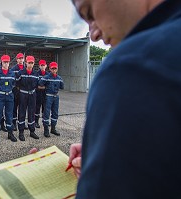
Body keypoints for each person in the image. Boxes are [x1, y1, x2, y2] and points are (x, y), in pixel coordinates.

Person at [67, 0, 181, 198]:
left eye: (90, 13)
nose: (93, 34)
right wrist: (110, 148)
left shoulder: (131, 67)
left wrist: (102, 170)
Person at [0, 55, 17, 144]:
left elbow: (13, 84)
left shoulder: (12, 73)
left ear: (9, 62)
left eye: (7, 62)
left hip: (10, 95)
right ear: (1, 62)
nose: (6, 64)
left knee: (9, 114)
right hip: (0, 96)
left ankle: (10, 133)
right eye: (4, 62)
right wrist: (0, 92)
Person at [16, 55, 39, 141]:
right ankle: (21, 132)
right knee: (21, 113)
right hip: (23, 95)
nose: (30, 64)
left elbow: (37, 85)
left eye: (32, 63)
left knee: (31, 113)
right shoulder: (20, 73)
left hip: (32, 95)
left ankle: (32, 131)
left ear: (34, 64)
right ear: (26, 63)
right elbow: (17, 84)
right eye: (29, 62)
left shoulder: (36, 74)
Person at [39, 62, 64, 137]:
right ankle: (46, 130)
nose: (54, 70)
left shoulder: (59, 78)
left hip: (56, 97)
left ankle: (53, 128)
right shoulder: (46, 77)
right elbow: (40, 84)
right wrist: (46, 88)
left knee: (55, 113)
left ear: (57, 69)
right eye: (52, 68)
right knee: (46, 113)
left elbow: (62, 87)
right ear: (49, 69)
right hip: (48, 97)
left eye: (55, 68)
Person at [10, 53, 27, 131]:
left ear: (24, 59)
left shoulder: (26, 69)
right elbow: (12, 80)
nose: (20, 60)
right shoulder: (13, 69)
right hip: (15, 91)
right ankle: (13, 123)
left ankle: (22, 122)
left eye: (22, 58)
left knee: (23, 108)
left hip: (24, 91)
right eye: (19, 58)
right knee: (14, 107)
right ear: (16, 59)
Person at [35, 59, 48, 128]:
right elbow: (36, 85)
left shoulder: (48, 74)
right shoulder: (36, 74)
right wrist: (43, 87)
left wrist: (44, 87)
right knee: (37, 108)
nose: (43, 67)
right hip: (38, 94)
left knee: (45, 108)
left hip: (45, 94)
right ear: (39, 66)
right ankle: (36, 122)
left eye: (44, 65)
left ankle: (45, 121)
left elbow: (49, 85)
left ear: (46, 66)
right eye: (41, 65)